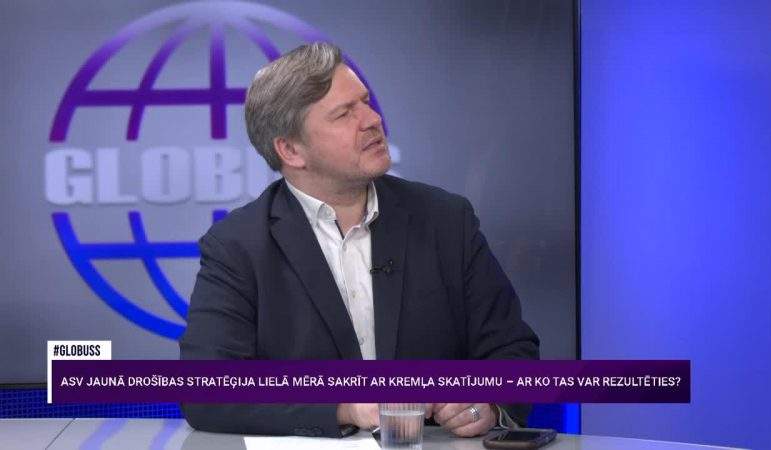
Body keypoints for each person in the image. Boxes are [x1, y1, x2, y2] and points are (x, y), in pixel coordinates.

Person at [179, 42, 540, 438]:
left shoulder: (446, 220)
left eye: (365, 103)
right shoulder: (238, 246)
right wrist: (344, 407)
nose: (372, 120)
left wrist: (490, 404)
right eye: (344, 113)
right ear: (291, 150)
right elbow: (207, 390)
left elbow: (513, 351)